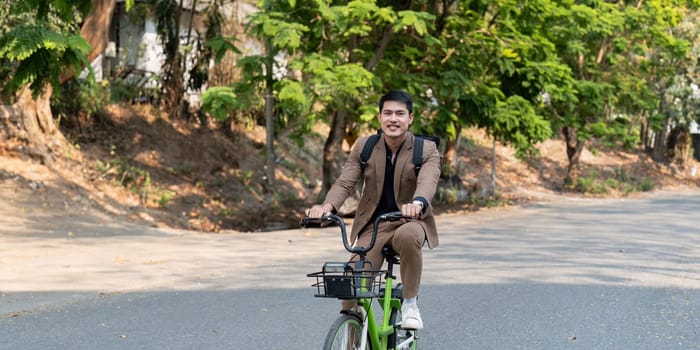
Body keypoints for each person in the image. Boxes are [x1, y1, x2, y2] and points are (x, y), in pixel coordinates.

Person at [307, 90, 441, 330]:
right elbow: (345, 182)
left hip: (408, 221)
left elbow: (428, 182)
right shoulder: (366, 146)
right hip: (374, 226)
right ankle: (353, 328)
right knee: (350, 284)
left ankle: (410, 303)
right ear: (379, 117)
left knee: (409, 236)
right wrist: (326, 207)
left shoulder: (426, 149)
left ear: (410, 118)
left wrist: (418, 202)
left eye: (400, 114)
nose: (393, 119)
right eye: (387, 113)